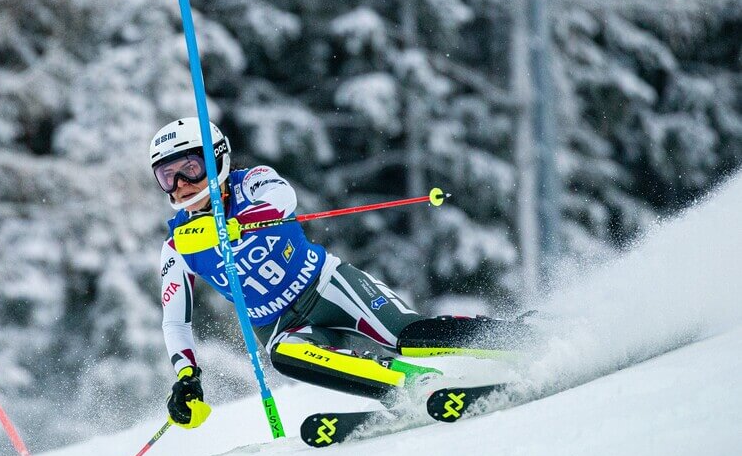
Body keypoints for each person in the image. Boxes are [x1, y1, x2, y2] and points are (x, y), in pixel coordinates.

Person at [152, 117, 523, 429]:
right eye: (167, 176)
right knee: (286, 356)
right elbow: (175, 323)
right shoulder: (177, 246)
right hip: (281, 325)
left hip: (329, 286)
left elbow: (284, 198)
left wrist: (238, 222)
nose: (181, 185)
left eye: (190, 168)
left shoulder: (251, 182)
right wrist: (187, 377)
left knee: (408, 336)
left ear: (217, 159)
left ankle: (519, 339)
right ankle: (410, 386)